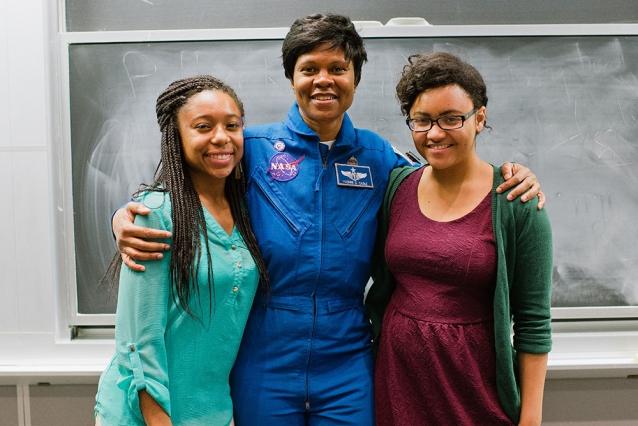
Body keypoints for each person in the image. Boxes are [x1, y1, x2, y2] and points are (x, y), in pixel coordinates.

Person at [111, 15, 544, 425]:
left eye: (337, 67)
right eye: (308, 68)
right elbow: (188, 183)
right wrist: (124, 216)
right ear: (292, 77)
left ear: (355, 77)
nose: (323, 80)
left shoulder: (381, 159)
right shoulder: (251, 149)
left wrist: (513, 174)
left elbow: (443, 178)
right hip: (264, 356)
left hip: (348, 360)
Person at [368, 52, 553, 426]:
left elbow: (533, 323)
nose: (435, 133)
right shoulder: (397, 187)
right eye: (422, 120)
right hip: (397, 383)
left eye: (452, 118)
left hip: (473, 390)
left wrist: (530, 420)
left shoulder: (517, 202)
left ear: (480, 118)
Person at [94, 75, 268, 426]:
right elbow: (139, 343)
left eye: (231, 125)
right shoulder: (154, 213)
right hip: (147, 415)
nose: (221, 137)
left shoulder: (246, 210)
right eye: (203, 126)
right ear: (177, 137)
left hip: (212, 412)